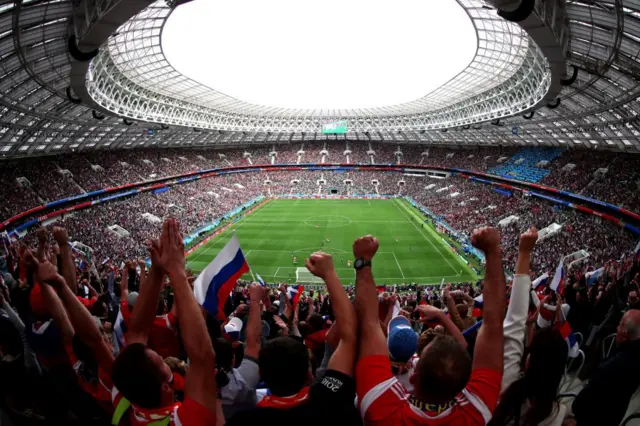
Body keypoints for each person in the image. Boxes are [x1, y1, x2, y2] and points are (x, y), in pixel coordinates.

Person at [355, 228, 506, 425]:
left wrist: (363, 261)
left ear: (414, 377)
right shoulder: (477, 413)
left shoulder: (380, 408)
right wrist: (494, 251)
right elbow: (493, 324)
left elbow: (368, 322)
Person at [227, 250, 361, 426]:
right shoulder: (330, 400)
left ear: (260, 373)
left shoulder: (242, 420)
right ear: (308, 372)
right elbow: (348, 336)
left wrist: (254, 303)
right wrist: (330, 274)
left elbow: (252, 344)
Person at [110, 218, 217, 425]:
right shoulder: (188, 420)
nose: (161, 356)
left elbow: (137, 335)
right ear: (166, 387)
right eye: (160, 360)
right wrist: (176, 270)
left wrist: (157, 271)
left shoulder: (122, 399)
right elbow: (203, 356)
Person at [489, 227, 571, 426]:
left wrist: (524, 253)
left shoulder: (507, 389)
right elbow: (515, 326)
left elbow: (514, 323)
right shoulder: (559, 414)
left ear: (528, 362)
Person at [571, 309, 640, 426]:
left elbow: (583, 402)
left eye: (620, 325)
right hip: (614, 416)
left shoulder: (612, 367)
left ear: (624, 333)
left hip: (593, 418)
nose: (617, 329)